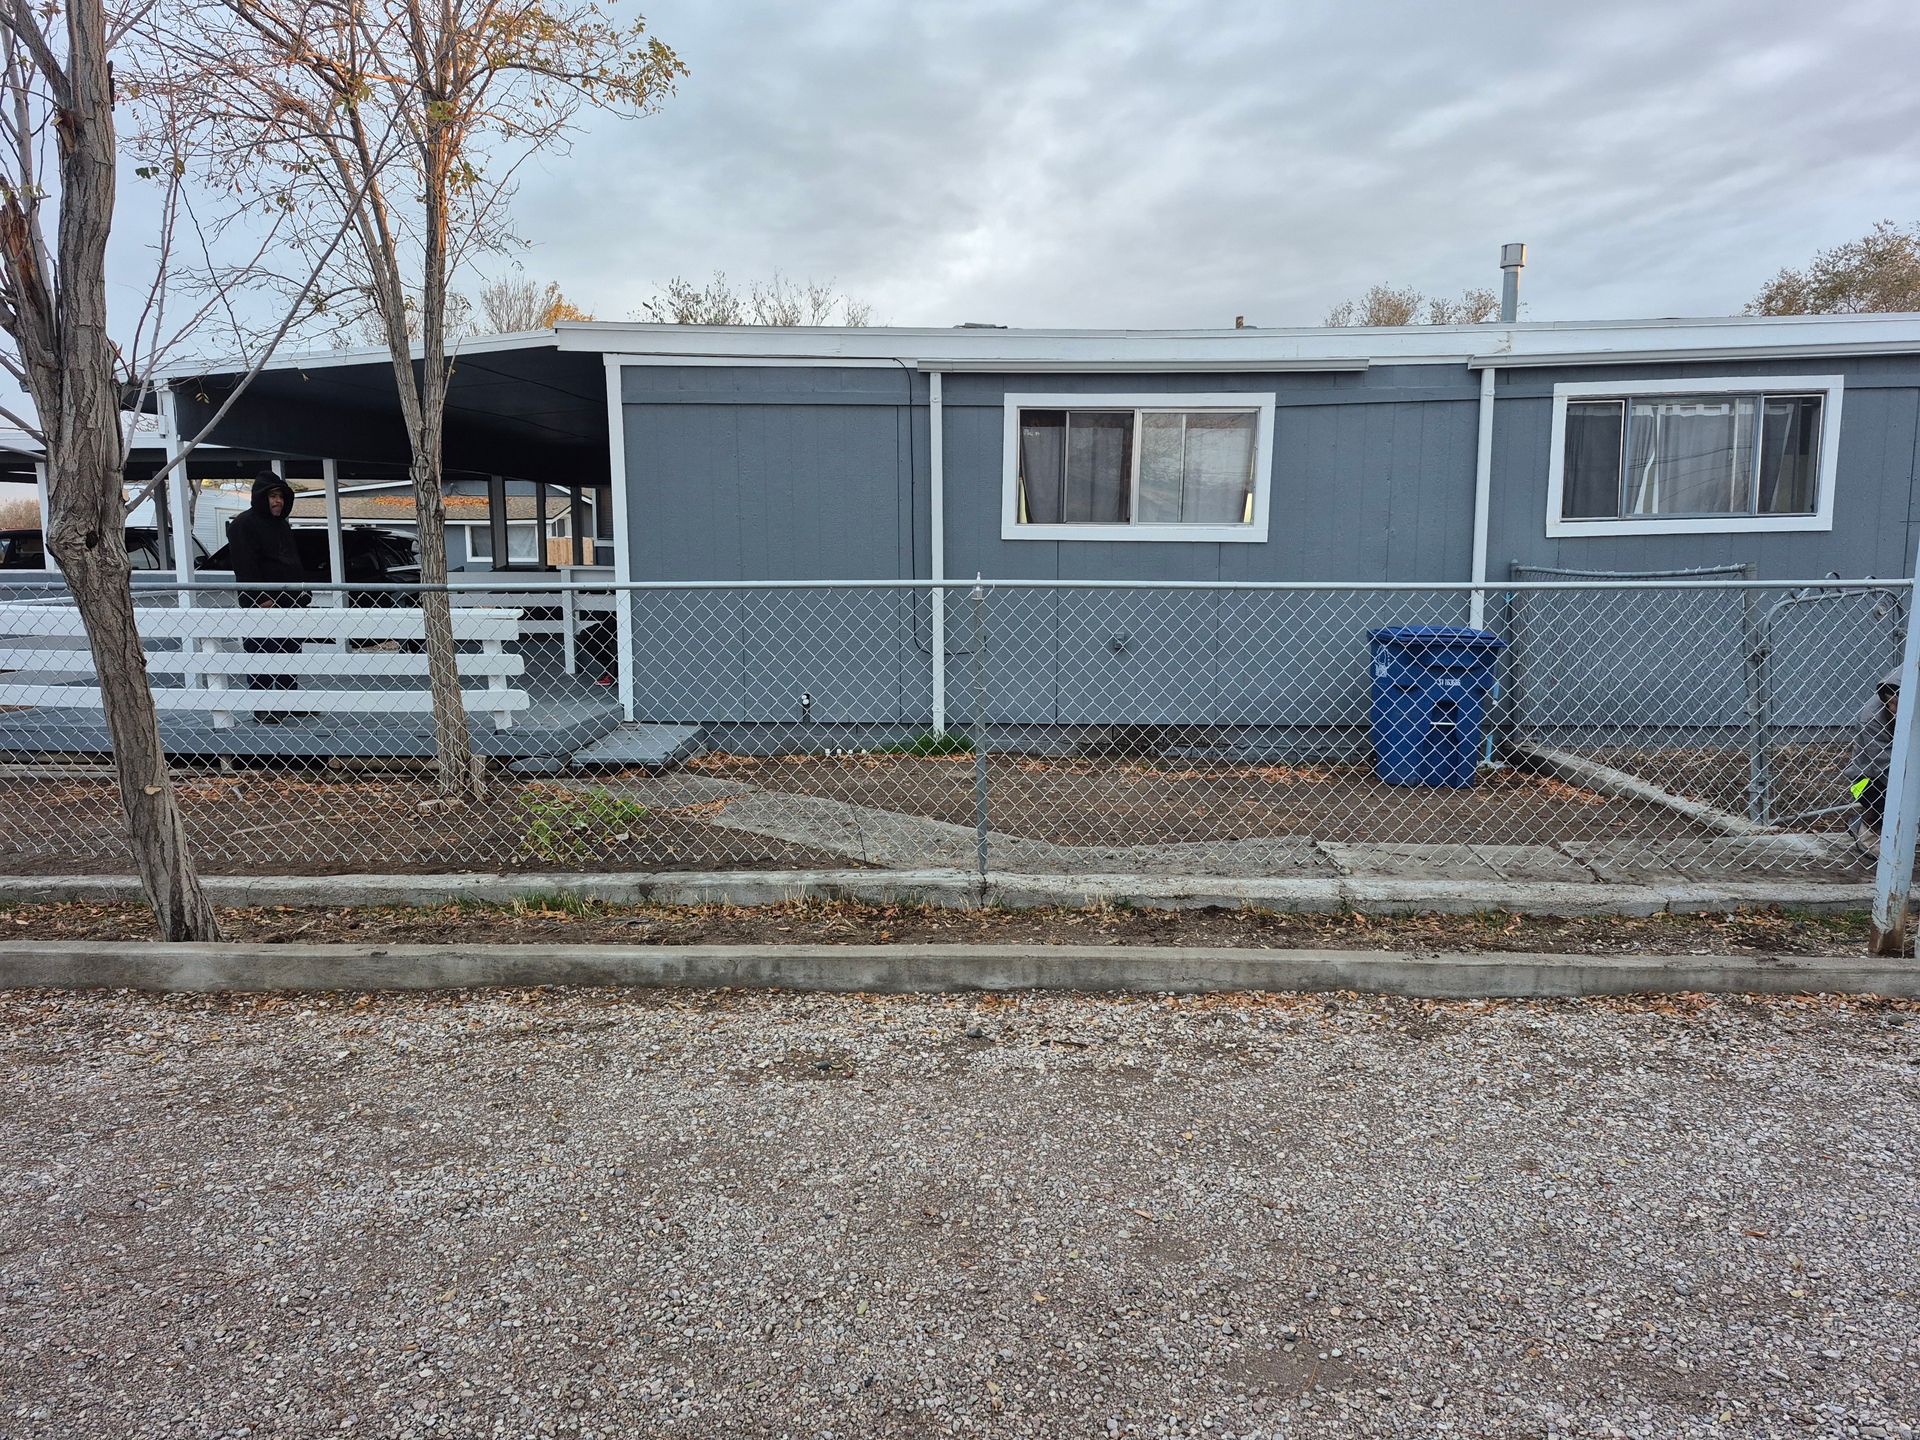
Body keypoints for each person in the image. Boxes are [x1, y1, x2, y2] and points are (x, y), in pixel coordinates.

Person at [224, 470, 311, 722]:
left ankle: (288, 701)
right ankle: (262, 706)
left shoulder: (282, 525)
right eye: (273, 496)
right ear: (261, 497)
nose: (278, 501)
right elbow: (244, 565)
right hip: (262, 605)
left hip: (290, 602)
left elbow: (291, 560)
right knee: (261, 654)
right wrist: (260, 598)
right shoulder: (243, 524)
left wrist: (303, 591)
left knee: (290, 653)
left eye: (281, 496)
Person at [1847, 667, 1900, 858]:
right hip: (1868, 780)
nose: (1891, 709)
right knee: (1894, 793)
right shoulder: (1872, 718)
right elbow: (1887, 767)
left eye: (1896, 702)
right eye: (1889, 702)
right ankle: (1866, 827)